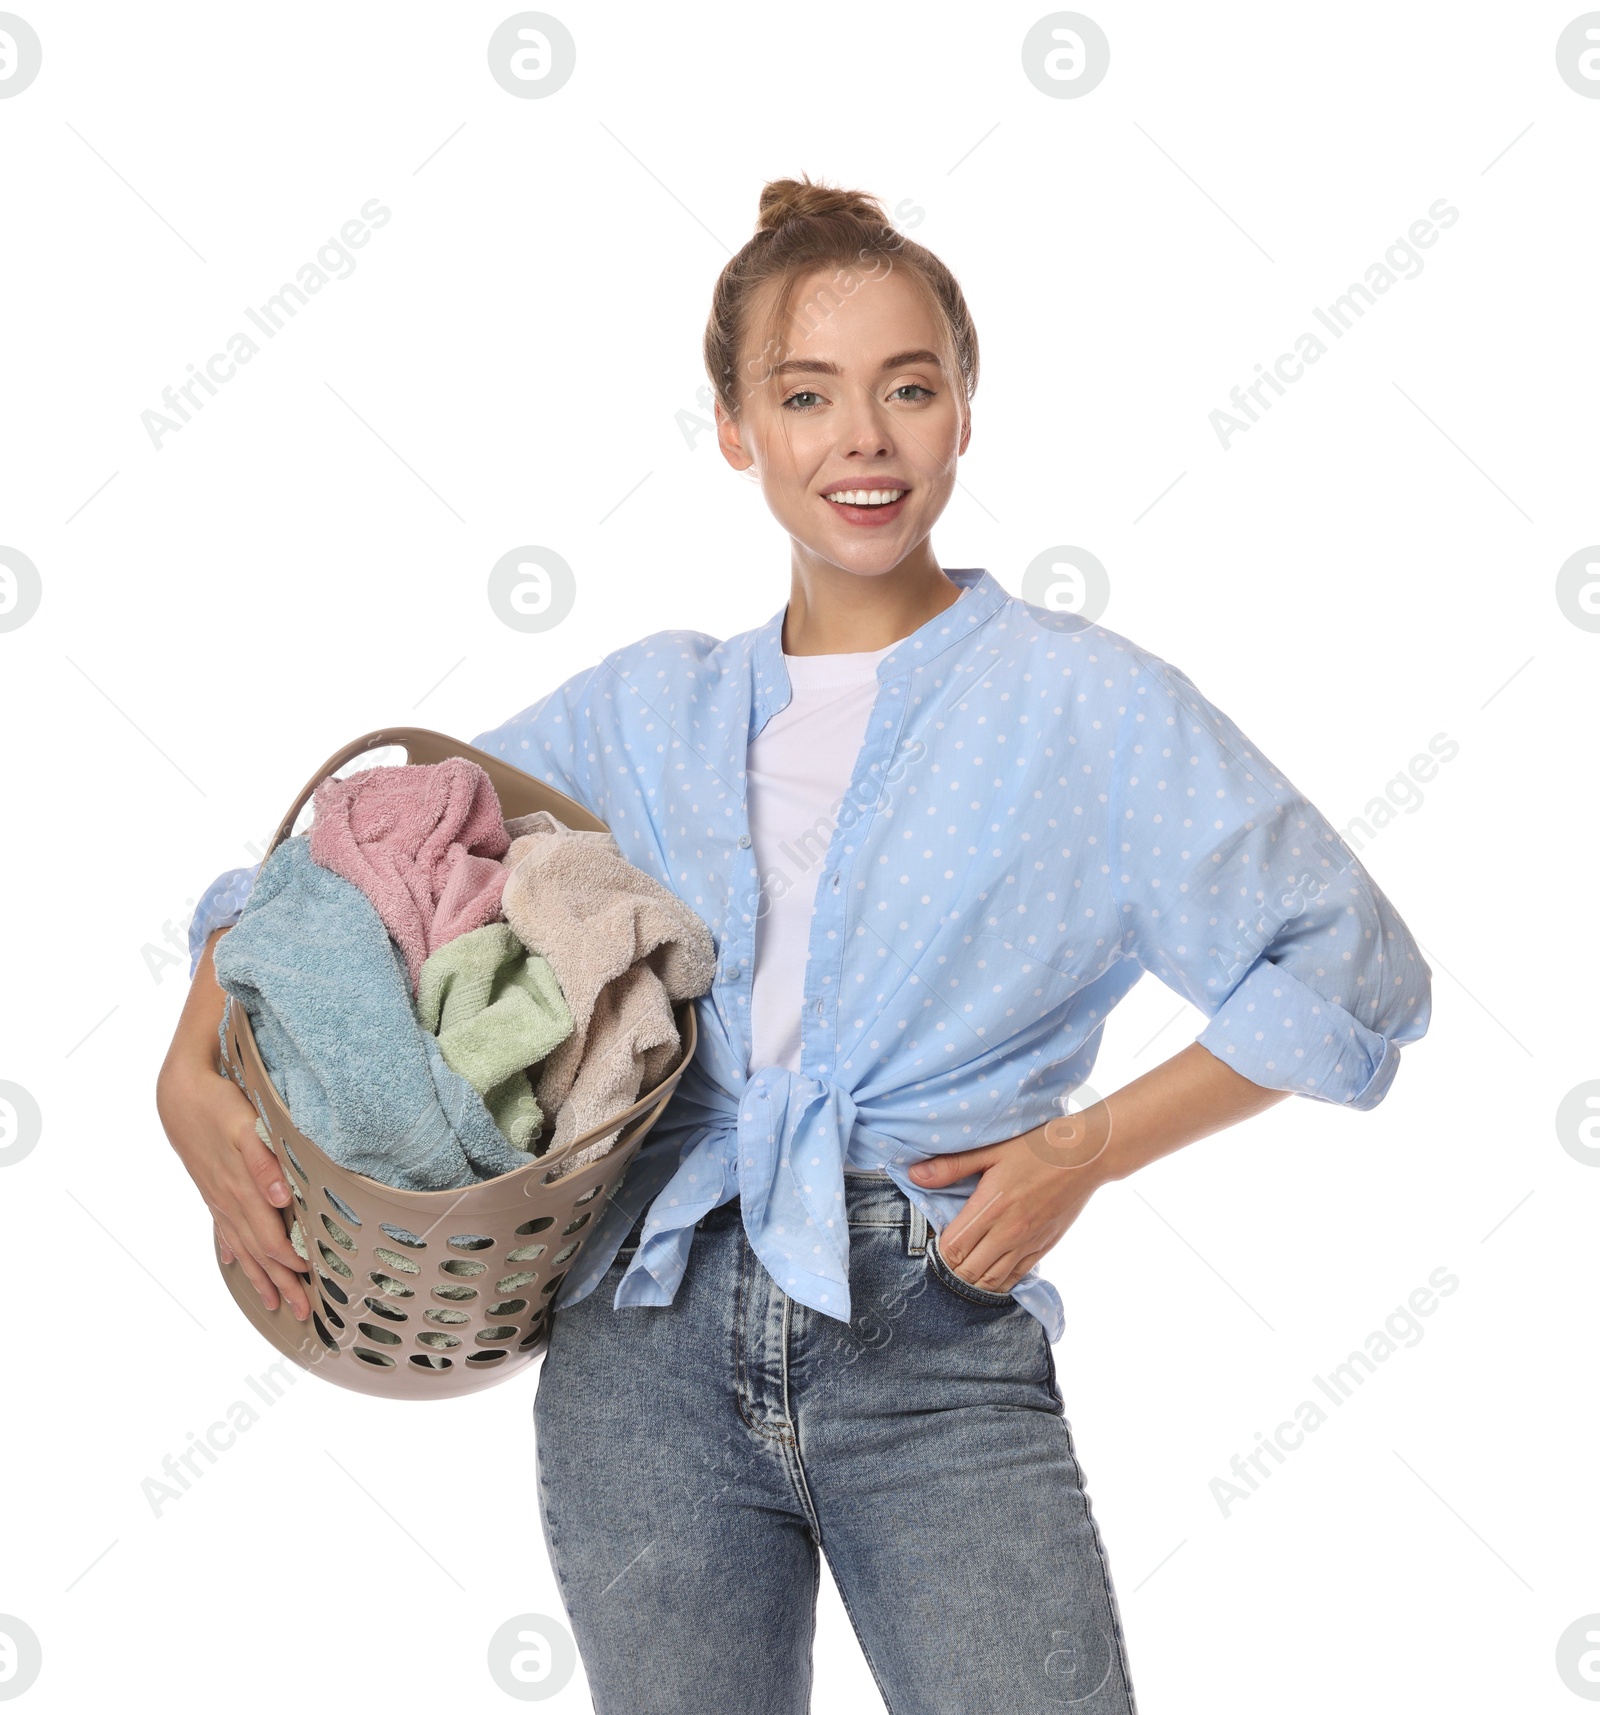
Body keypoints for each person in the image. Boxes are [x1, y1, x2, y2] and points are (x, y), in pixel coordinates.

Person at [156, 175, 1432, 1713]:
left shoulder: (1088, 708)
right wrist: (187, 1066)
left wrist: (1083, 1151)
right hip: (643, 1339)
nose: (864, 439)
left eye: (909, 387)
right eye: (806, 393)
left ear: (966, 410)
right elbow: (346, 858)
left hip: (934, 1320)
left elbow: (1347, 963)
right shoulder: (645, 711)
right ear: (736, 428)